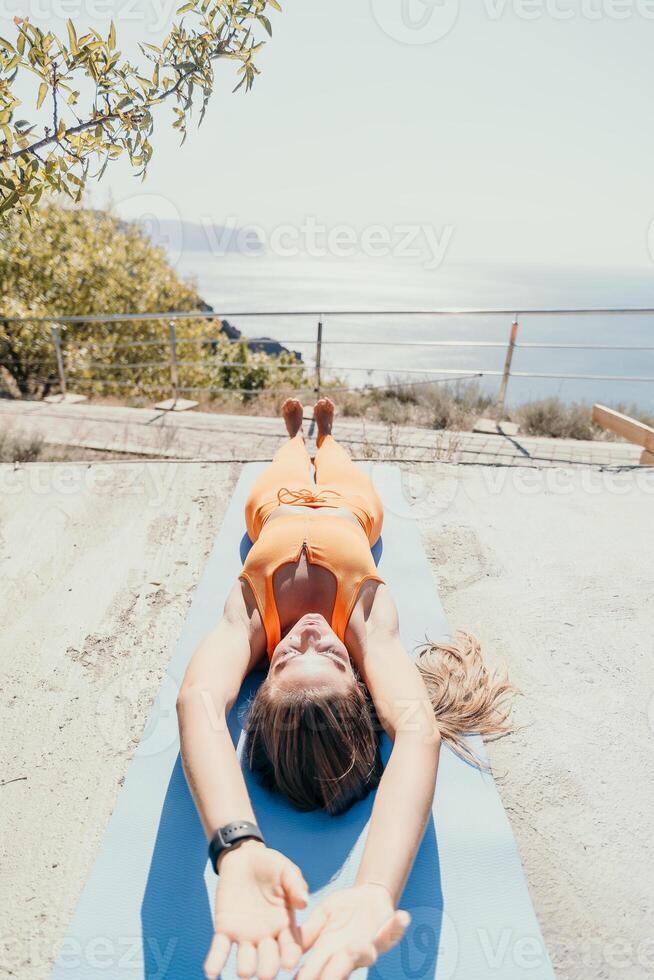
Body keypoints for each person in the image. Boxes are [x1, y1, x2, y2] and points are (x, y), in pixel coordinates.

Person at [176, 397, 515, 980]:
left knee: (286, 460)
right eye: (329, 658)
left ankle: (296, 434)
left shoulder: (249, 622)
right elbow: (416, 732)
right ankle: (327, 438)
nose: (308, 636)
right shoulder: (368, 624)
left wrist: (236, 847)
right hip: (354, 511)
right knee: (338, 464)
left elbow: (198, 704)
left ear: (260, 685)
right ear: (360, 685)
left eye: (284, 663)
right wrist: (377, 889)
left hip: (273, 508)